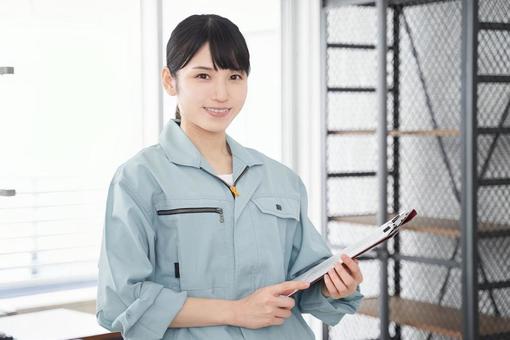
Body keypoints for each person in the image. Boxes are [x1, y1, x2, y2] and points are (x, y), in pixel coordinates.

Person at [96, 14, 363, 340]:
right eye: (203, 76)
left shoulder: (281, 180)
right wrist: (236, 312)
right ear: (170, 81)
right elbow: (120, 300)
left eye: (235, 76)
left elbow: (303, 286)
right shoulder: (139, 179)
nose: (222, 94)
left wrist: (334, 287)